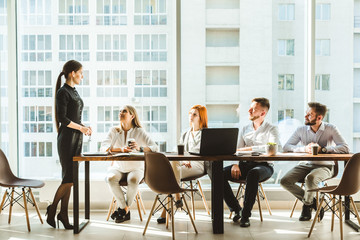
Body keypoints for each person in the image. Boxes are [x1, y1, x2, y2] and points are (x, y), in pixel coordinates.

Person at [280, 102, 349, 221]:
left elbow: (345, 148)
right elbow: (286, 147)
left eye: (309, 115)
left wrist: (323, 149)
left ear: (319, 118)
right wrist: (304, 149)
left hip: (325, 167)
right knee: (285, 181)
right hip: (305, 164)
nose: (306, 116)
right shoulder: (301, 129)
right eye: (306, 114)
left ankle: (306, 207)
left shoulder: (331, 128)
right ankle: (313, 202)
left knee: (310, 179)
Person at [46, 60, 92, 229]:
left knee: (71, 180)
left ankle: (63, 215)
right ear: (72, 73)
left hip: (76, 138)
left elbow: (75, 116)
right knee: (67, 178)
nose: (82, 76)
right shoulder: (62, 92)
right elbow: (64, 119)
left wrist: (84, 128)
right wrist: (81, 127)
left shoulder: (74, 91)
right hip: (67, 139)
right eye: (80, 73)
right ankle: (53, 211)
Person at [223, 98, 280, 227]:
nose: (249, 110)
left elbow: (272, 148)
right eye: (250, 108)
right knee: (218, 174)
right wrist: (236, 164)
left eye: (253, 109)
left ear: (263, 113)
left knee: (253, 174)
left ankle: (245, 215)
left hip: (264, 166)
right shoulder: (245, 129)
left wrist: (249, 149)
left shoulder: (272, 129)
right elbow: (237, 150)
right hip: (244, 165)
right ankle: (236, 209)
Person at [100, 105, 158, 223]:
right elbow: (103, 148)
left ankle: (122, 210)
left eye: (124, 111)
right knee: (111, 178)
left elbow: (155, 147)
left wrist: (140, 148)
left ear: (132, 116)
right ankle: (124, 209)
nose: (120, 113)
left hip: (136, 168)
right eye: (120, 111)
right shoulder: (114, 130)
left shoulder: (139, 131)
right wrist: (120, 150)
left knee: (133, 180)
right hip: (118, 167)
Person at [157, 104, 208, 224]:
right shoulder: (186, 134)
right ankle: (177, 197)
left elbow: (204, 153)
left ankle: (166, 210)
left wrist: (188, 159)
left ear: (201, 117)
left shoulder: (205, 134)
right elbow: (178, 151)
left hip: (198, 165)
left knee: (170, 175)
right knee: (173, 163)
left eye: (194, 114)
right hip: (186, 164)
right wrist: (185, 160)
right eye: (190, 113)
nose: (191, 116)